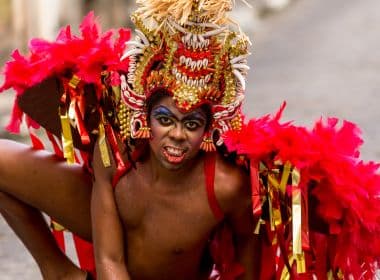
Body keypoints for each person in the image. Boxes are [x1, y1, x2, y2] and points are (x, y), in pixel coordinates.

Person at [2, 1, 380, 279]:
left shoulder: (228, 187)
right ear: (144, 116)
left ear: (210, 129)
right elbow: (111, 261)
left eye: (192, 123)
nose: (178, 136)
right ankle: (59, 272)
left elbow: (247, 263)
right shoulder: (114, 154)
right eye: (165, 119)